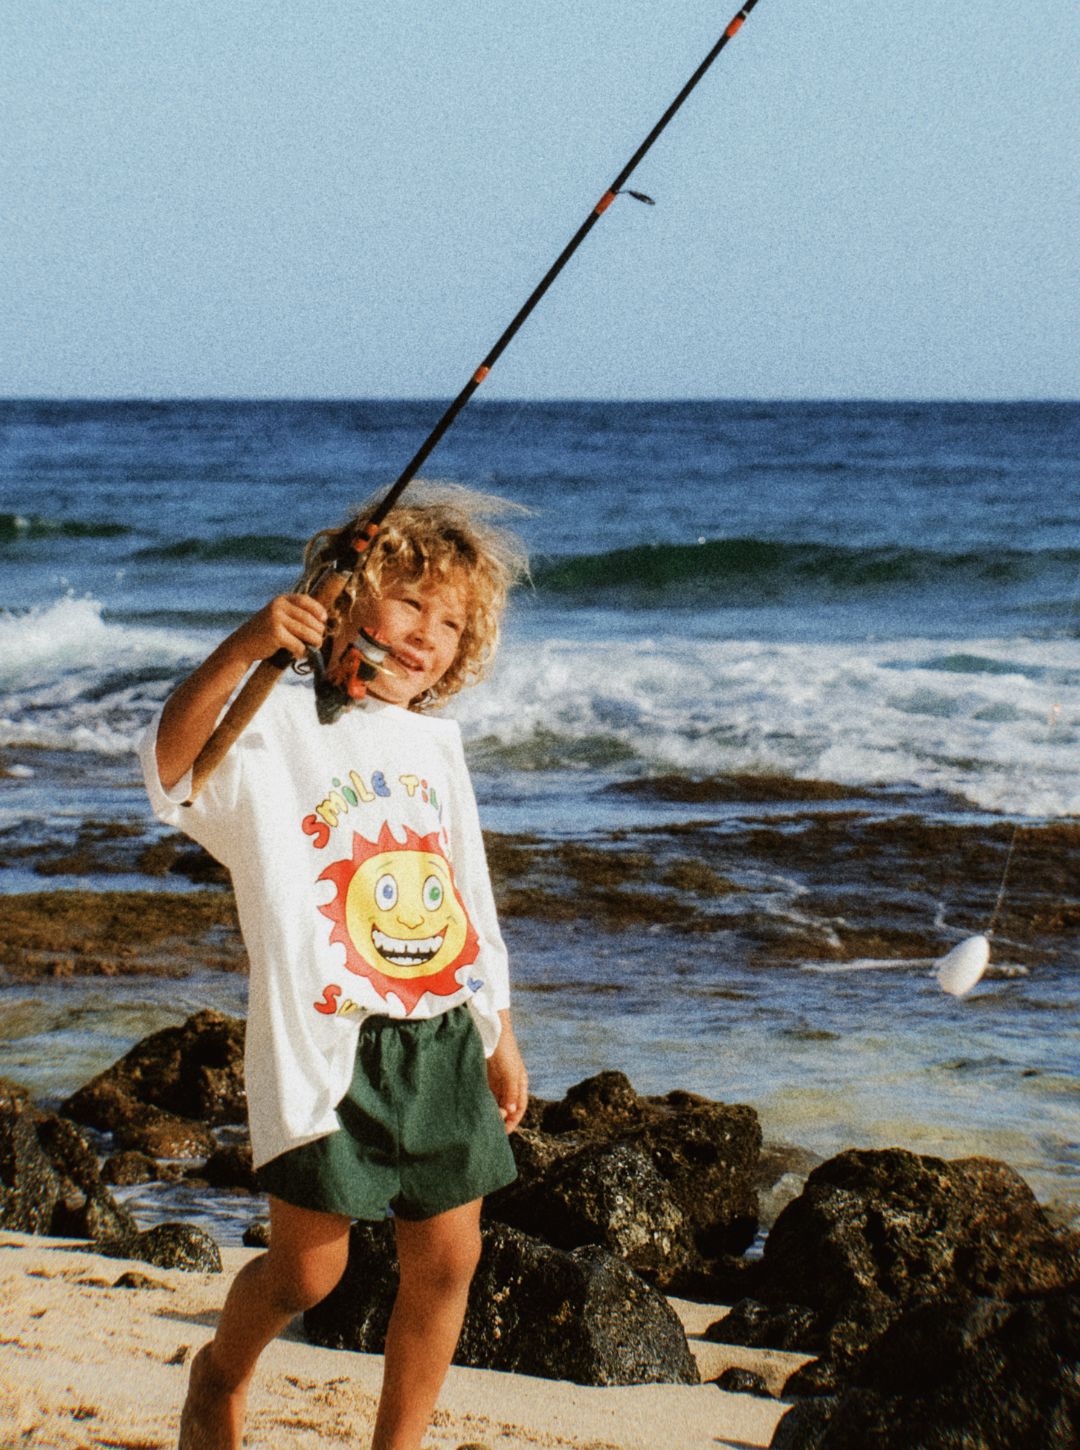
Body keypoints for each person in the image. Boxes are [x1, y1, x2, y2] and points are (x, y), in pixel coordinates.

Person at [139, 485, 530, 1450]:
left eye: (451, 622)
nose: (427, 635)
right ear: (343, 594)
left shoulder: (436, 742)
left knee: (449, 1260)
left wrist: (501, 1030)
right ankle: (219, 1373)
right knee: (309, 1272)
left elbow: (465, 895)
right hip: (325, 1043)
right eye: (408, 603)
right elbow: (171, 772)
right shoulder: (276, 721)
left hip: (440, 1031)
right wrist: (246, 645)